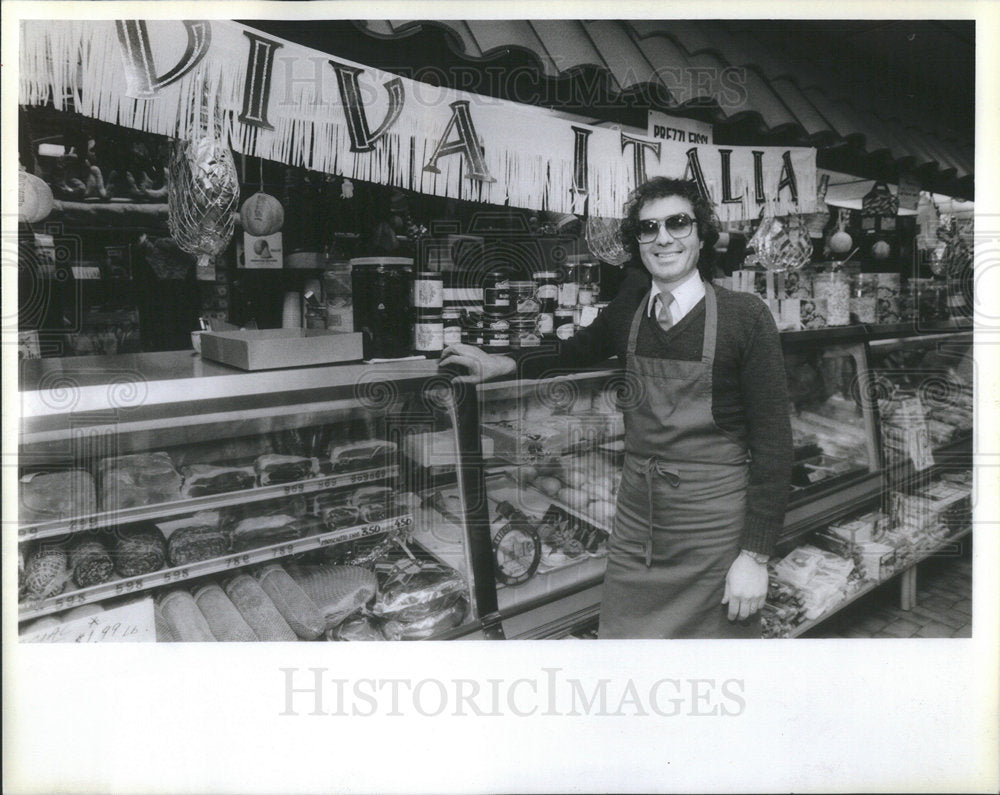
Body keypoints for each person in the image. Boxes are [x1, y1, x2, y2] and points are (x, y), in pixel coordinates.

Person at [440, 177, 793, 638]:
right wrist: (504, 363)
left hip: (712, 528)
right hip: (636, 524)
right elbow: (574, 351)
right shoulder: (630, 305)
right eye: (648, 228)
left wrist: (754, 556)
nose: (663, 237)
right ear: (638, 242)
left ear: (701, 234)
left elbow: (774, 445)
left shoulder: (745, 316)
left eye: (678, 223)